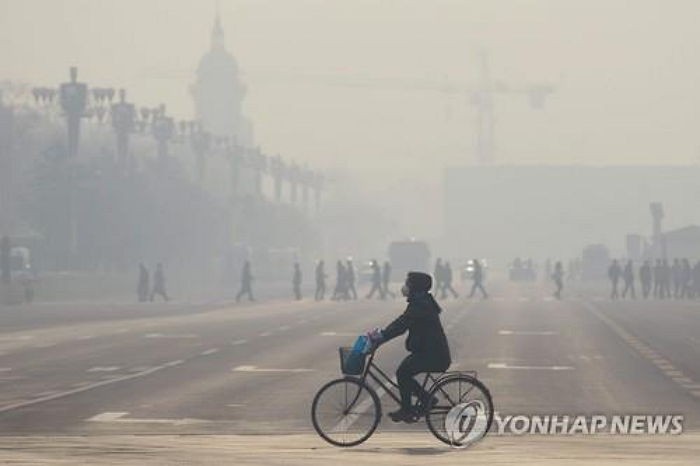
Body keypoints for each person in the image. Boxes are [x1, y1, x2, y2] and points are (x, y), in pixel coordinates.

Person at [367, 271, 451, 423]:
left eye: (408, 283)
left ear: (415, 287)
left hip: (434, 355)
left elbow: (401, 325)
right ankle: (426, 400)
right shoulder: (420, 302)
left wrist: (382, 337)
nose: (405, 287)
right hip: (429, 352)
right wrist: (383, 334)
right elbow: (401, 321)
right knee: (404, 371)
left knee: (403, 372)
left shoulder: (420, 305)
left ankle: (410, 408)